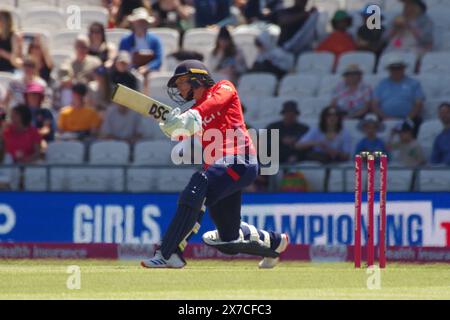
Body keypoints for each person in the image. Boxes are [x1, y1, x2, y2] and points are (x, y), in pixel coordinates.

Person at [140, 60, 289, 269]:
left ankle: (168, 252)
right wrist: (171, 127)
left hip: (240, 161)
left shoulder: (224, 87)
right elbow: (181, 133)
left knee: (198, 184)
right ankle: (275, 242)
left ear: (197, 78)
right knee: (228, 240)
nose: (179, 88)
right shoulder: (194, 111)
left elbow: (213, 104)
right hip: (220, 171)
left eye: (182, 82)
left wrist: (189, 116)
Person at [372, 56, 424, 135]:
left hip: (409, 119)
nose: (396, 71)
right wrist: (384, 117)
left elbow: (418, 103)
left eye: (399, 68)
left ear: (403, 69)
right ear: (389, 70)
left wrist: (408, 119)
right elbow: (375, 104)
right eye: (393, 68)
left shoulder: (414, 83)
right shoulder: (381, 84)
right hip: (384, 119)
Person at [119, 7, 163, 84]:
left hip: (150, 73)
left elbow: (158, 60)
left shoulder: (155, 40)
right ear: (133, 23)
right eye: (139, 22)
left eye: (143, 22)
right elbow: (122, 58)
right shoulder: (125, 41)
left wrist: (147, 68)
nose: (141, 24)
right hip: (130, 73)